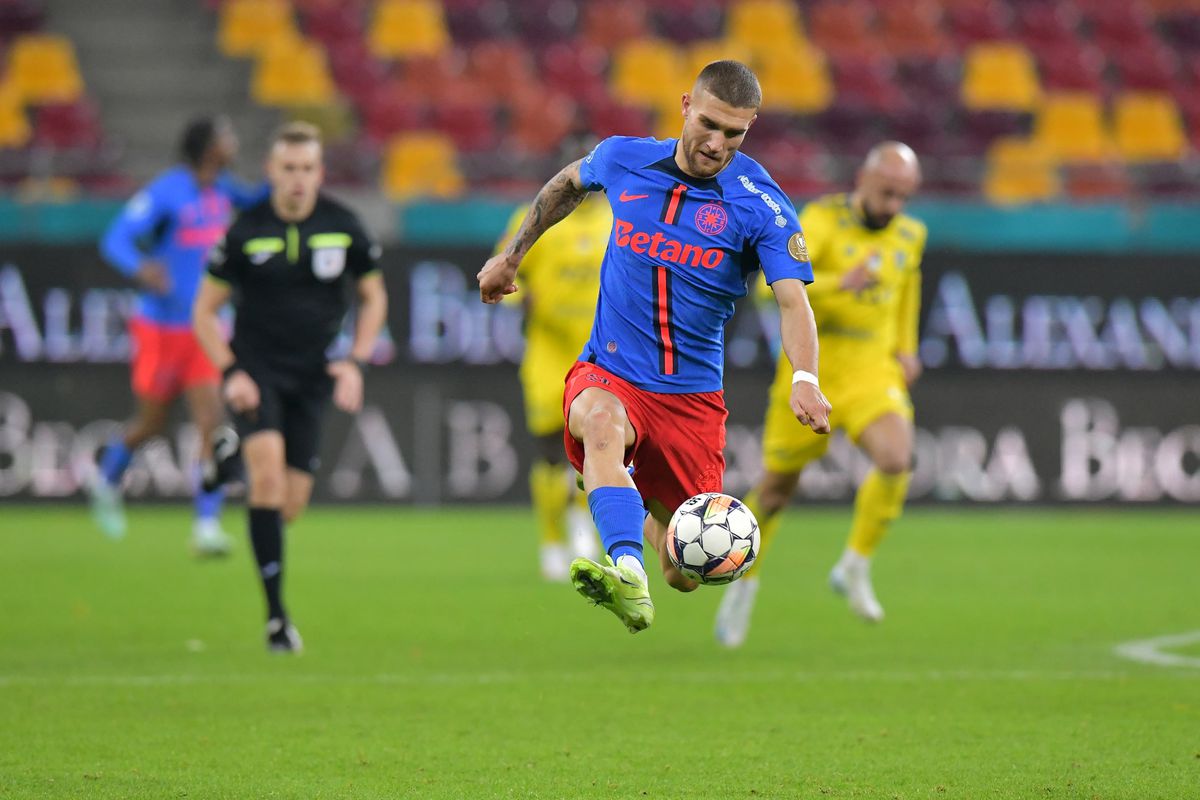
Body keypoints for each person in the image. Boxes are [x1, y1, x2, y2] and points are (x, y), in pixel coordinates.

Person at [478, 60, 831, 634]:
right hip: (610, 370)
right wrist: (512, 256)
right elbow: (567, 183)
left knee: (685, 571)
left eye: (734, 133)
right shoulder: (625, 158)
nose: (717, 144)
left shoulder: (760, 204)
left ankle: (614, 486)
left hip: (690, 399)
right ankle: (626, 574)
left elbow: (794, 302)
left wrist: (806, 380)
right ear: (687, 105)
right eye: (710, 124)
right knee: (600, 423)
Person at [714, 142, 925, 648]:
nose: (892, 205)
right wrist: (838, 284)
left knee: (897, 457)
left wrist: (906, 347)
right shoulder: (821, 222)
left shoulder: (911, 235)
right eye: (886, 192)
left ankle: (855, 564)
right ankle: (744, 581)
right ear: (864, 179)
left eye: (902, 196)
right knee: (774, 492)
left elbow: (907, 290)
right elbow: (771, 289)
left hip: (872, 371)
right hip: (812, 371)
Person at [192, 122, 387, 652]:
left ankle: (226, 464)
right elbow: (204, 313)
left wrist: (356, 362)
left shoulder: (344, 225)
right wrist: (231, 372)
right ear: (271, 172)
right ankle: (277, 620)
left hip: (313, 376)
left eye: (307, 169)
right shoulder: (245, 229)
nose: (298, 179)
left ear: (319, 173)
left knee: (289, 506)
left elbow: (374, 297)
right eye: (288, 169)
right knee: (269, 483)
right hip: (257, 374)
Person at [90, 115, 267, 554]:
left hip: (204, 328)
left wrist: (281, 175)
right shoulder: (168, 191)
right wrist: (141, 267)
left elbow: (255, 198)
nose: (233, 140)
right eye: (226, 134)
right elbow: (115, 238)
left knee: (211, 422)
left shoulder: (224, 188)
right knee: (152, 422)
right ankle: (107, 475)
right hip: (160, 327)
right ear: (208, 147)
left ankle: (205, 526)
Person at [494, 189, 609, 581]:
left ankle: (582, 521)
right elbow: (507, 272)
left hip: (599, 356)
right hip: (547, 355)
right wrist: (522, 299)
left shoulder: (617, 219)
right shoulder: (536, 219)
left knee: (596, 445)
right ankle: (551, 540)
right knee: (549, 453)